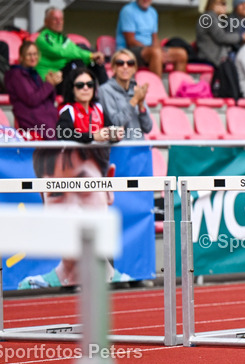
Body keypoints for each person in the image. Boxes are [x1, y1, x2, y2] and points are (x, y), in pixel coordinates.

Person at [17, 146, 131, 289]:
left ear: (108, 187)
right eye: (56, 193)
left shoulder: (134, 291)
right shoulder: (30, 288)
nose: (72, 210)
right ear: (43, 198)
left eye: (84, 186)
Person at [115, 0, 188, 76]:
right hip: (129, 50)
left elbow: (154, 38)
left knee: (181, 53)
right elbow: (130, 41)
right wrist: (154, 50)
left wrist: (159, 49)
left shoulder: (153, 12)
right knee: (156, 53)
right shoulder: (128, 10)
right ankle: (157, 88)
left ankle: (179, 89)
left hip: (149, 50)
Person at [4, 40, 60, 138]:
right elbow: (32, 99)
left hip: (47, 121)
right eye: (29, 54)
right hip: (33, 122)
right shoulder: (17, 75)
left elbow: (49, 99)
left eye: (35, 54)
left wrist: (51, 83)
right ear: (21, 57)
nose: (33, 58)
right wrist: (49, 84)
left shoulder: (33, 73)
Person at [35, 7, 106, 83]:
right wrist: (90, 55)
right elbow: (61, 52)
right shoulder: (43, 38)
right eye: (55, 19)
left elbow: (75, 50)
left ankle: (105, 90)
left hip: (63, 74)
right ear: (46, 22)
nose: (59, 22)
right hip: (51, 79)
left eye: (61, 19)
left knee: (95, 62)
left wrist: (93, 58)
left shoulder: (62, 38)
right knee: (77, 61)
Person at [96, 49, 152, 141]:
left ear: (134, 68)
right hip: (119, 149)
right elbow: (115, 124)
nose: (125, 66)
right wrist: (134, 101)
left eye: (130, 63)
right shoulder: (105, 90)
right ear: (113, 68)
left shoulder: (136, 89)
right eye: (120, 63)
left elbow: (148, 128)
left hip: (140, 149)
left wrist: (141, 105)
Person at [57, 69, 123, 144]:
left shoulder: (98, 108)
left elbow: (109, 129)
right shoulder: (68, 110)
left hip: (100, 155)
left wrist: (115, 135)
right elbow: (63, 134)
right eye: (80, 85)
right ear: (72, 89)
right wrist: (93, 137)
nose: (86, 88)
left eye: (90, 84)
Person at [195, 0, 243, 66]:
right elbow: (221, 37)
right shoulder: (208, 17)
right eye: (223, 4)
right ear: (213, 4)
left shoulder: (214, 18)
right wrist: (241, 37)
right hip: (211, 58)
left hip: (215, 57)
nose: (226, 7)